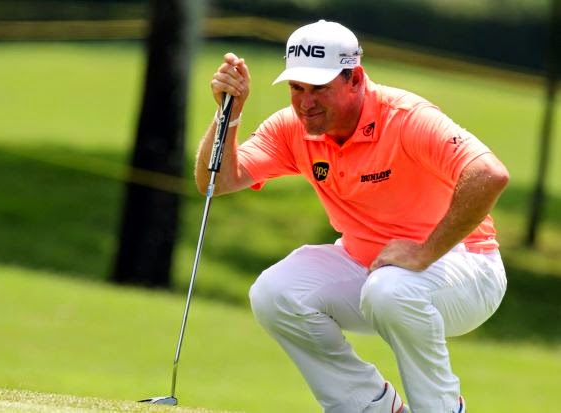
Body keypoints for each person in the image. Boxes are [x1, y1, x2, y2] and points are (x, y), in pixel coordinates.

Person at [195, 19, 509, 413]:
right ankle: (370, 408)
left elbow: (489, 174)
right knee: (274, 294)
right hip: (373, 268)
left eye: (320, 88)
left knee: (390, 290)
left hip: (467, 270)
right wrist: (229, 115)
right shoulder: (293, 127)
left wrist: (424, 252)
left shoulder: (405, 118)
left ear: (355, 79)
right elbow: (219, 181)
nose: (306, 102)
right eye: (297, 88)